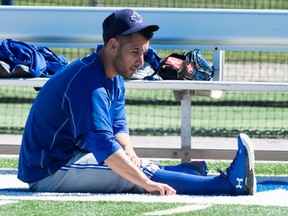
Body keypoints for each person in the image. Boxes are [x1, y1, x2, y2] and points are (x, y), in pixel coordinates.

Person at [17, 9, 256, 196]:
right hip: (49, 170)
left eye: (144, 52)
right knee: (140, 175)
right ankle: (227, 184)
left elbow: (117, 123)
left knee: (136, 164)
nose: (141, 62)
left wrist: (129, 151)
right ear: (113, 46)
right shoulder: (88, 83)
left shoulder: (112, 73)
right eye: (135, 52)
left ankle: (182, 174)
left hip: (71, 155)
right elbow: (102, 145)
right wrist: (145, 182)